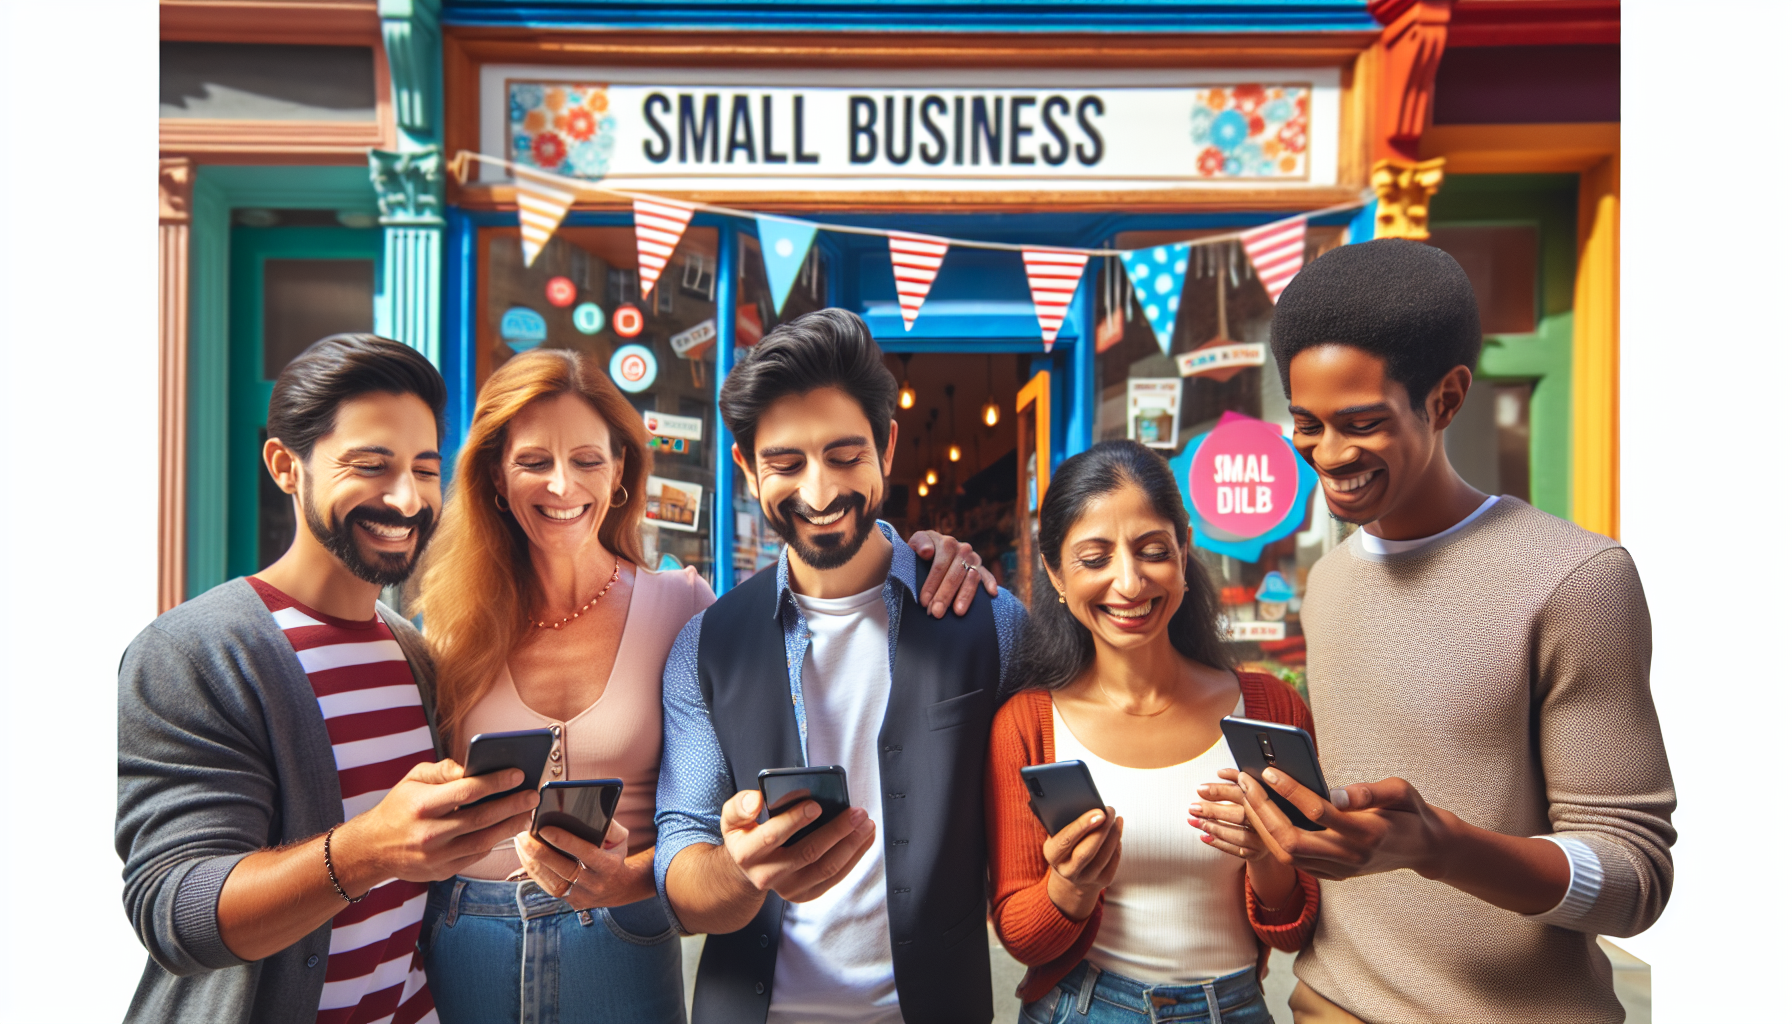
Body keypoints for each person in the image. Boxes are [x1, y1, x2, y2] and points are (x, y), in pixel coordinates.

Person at [410, 347, 997, 1023]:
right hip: (468, 931)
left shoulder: (685, 609)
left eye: (587, 460)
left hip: (624, 937)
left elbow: (692, 834)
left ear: (620, 469)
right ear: (494, 475)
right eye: (534, 462)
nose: (562, 486)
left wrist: (934, 554)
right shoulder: (447, 622)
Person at [1193, 239, 1675, 1023]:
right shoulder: (1328, 583)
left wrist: (1440, 848)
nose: (1330, 453)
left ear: (1446, 399)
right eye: (1307, 424)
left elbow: (1635, 879)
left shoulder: (1577, 579)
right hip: (1327, 1004)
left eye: (1362, 422)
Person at [116, 334, 541, 1024]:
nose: (407, 499)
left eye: (426, 470)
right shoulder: (194, 651)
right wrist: (369, 850)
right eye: (371, 465)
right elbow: (177, 915)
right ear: (286, 466)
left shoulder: (416, 654)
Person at [655, 308, 1027, 1024]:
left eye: (845, 455)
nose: (820, 493)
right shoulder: (703, 646)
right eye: (786, 464)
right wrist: (744, 870)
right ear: (744, 467)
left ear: (887, 445)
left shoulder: (993, 621)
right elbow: (680, 875)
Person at [987, 441, 1318, 1024]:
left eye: (1153, 551)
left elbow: (1297, 925)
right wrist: (1069, 886)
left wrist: (1270, 856)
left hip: (1236, 1007)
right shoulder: (1027, 723)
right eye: (1094, 559)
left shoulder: (1270, 708)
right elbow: (1020, 937)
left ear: (1184, 551)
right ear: (1055, 573)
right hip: (1082, 1007)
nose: (1131, 582)